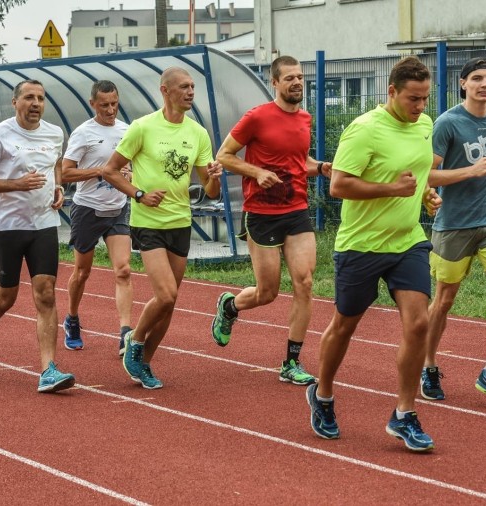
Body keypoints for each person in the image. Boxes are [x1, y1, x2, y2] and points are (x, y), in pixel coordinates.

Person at [305, 56, 442, 452]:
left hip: (408, 242)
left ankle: (404, 413)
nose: (419, 107)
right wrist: (392, 190)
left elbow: (416, 175)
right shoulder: (364, 130)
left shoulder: (425, 125)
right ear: (392, 91)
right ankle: (324, 393)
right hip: (361, 244)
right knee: (345, 325)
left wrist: (425, 195)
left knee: (418, 323)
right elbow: (340, 186)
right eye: (412, 99)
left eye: (424, 98)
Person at [211, 55, 332, 386]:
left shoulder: (305, 119)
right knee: (267, 292)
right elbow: (223, 156)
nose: (297, 82)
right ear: (274, 82)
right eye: (289, 77)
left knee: (304, 283)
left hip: (295, 210)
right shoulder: (257, 117)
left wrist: (320, 167)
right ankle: (230, 306)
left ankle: (291, 362)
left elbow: (297, 162)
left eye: (300, 77)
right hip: (261, 212)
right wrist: (257, 171)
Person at [102, 67, 222, 390]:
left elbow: (210, 191)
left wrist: (215, 176)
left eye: (193, 86)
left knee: (170, 302)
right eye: (184, 86)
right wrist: (139, 194)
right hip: (148, 223)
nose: (191, 91)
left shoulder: (198, 134)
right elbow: (110, 171)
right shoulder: (142, 128)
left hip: (180, 222)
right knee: (165, 294)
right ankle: (135, 341)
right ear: (165, 90)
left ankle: (145, 362)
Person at [422, 58, 486, 407]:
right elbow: (428, 175)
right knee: (443, 302)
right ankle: (428, 365)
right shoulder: (447, 123)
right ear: (463, 84)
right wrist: (470, 171)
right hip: (453, 225)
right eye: (477, 78)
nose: (485, 84)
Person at [0, 79, 75, 393]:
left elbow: (56, 164)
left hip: (43, 224)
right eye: (29, 97)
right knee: (6, 297)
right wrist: (16, 185)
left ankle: (48, 370)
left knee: (45, 293)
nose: (36, 103)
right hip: (8, 226)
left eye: (40, 98)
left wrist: (58, 187)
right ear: (15, 102)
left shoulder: (55, 133)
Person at [61, 80, 133, 355]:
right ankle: (72, 318)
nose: (110, 109)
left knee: (124, 270)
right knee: (82, 272)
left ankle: (125, 333)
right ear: (93, 104)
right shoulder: (83, 134)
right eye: (104, 105)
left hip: (117, 209)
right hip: (87, 209)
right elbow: (65, 173)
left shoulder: (128, 131)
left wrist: (129, 177)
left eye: (114, 103)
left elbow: (131, 169)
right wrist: (100, 172)